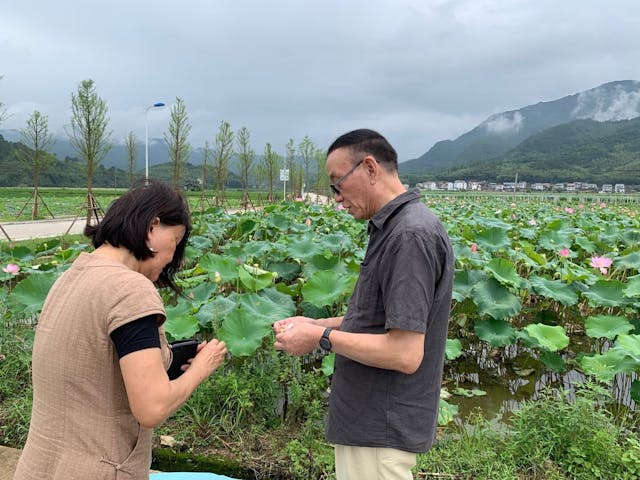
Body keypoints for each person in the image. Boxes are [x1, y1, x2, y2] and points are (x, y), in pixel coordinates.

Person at [14, 180, 227, 480]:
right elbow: (151, 407)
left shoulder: (70, 276)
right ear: (153, 227)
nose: (172, 258)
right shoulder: (129, 288)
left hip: (37, 469)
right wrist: (201, 369)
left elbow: (96, 370)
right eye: (175, 242)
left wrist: (169, 363)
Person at [273, 129, 454, 480]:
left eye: (337, 184)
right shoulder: (392, 228)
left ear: (370, 168)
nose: (337, 198)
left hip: (381, 428)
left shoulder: (410, 236)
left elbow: (404, 352)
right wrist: (315, 324)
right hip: (370, 423)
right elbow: (380, 321)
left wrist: (320, 338)